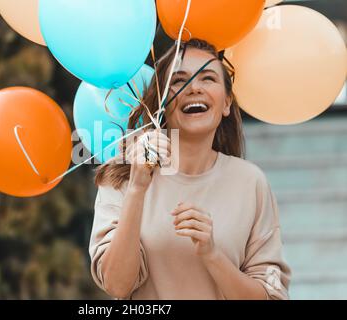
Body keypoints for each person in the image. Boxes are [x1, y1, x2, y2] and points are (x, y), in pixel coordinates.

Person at [88, 39, 291, 300]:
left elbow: (269, 296)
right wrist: (137, 189)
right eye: (178, 80)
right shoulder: (122, 175)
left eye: (207, 78)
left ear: (227, 102)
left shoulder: (250, 181)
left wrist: (212, 254)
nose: (194, 88)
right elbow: (117, 285)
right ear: (162, 104)